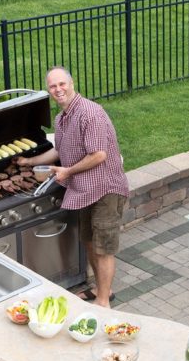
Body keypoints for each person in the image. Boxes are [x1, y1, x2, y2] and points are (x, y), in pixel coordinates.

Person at [16, 67, 129, 308]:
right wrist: (30, 162)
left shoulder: (90, 113)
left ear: (72, 83)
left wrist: (67, 172)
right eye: (53, 87)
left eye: (61, 84)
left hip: (106, 189)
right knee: (89, 242)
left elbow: (99, 155)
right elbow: (59, 148)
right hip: (85, 191)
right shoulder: (62, 117)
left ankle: (103, 304)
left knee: (103, 248)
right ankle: (101, 290)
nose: (58, 90)